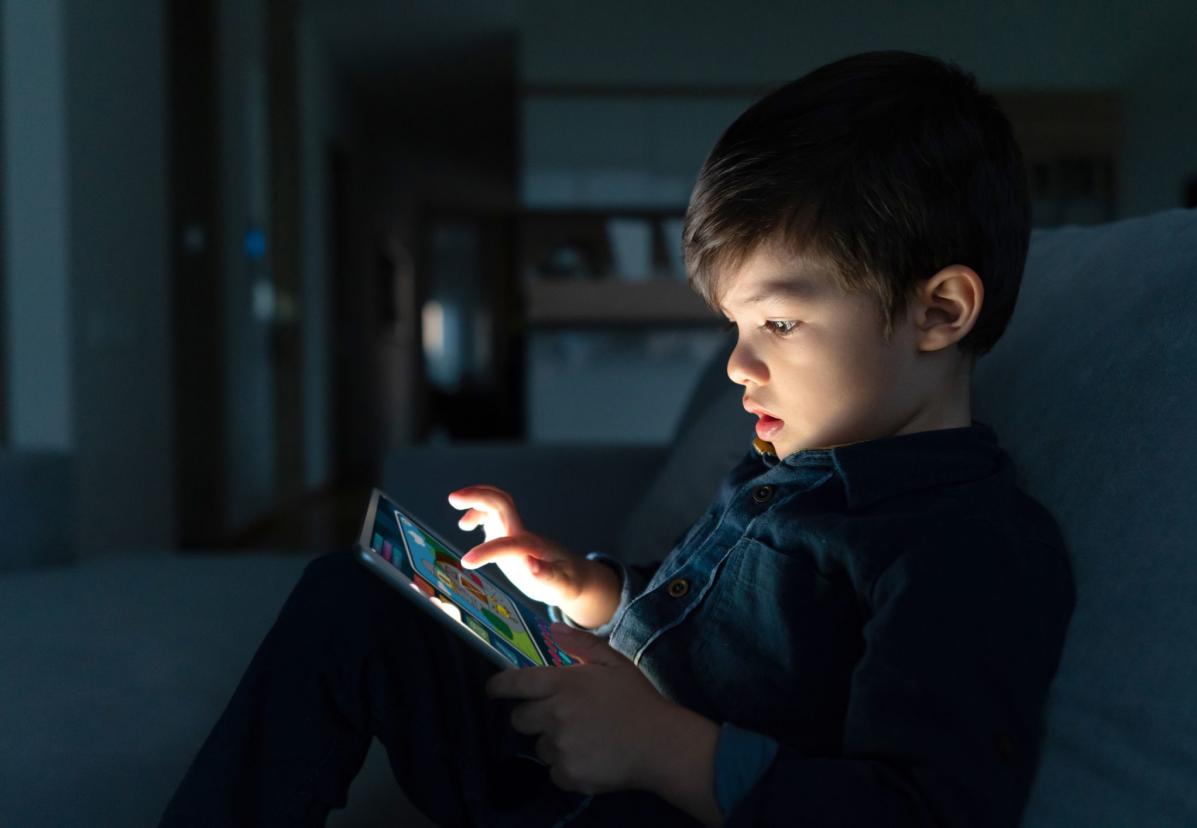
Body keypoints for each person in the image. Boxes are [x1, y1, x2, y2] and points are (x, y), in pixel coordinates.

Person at [159, 49, 1075, 827]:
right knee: (356, 594)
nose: (736, 367)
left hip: (650, 796)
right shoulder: (792, 466)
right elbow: (705, 633)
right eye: (734, 327)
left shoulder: (968, 544)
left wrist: (665, 750)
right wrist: (585, 589)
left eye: (780, 326)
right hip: (586, 745)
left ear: (939, 311)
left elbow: (925, 810)